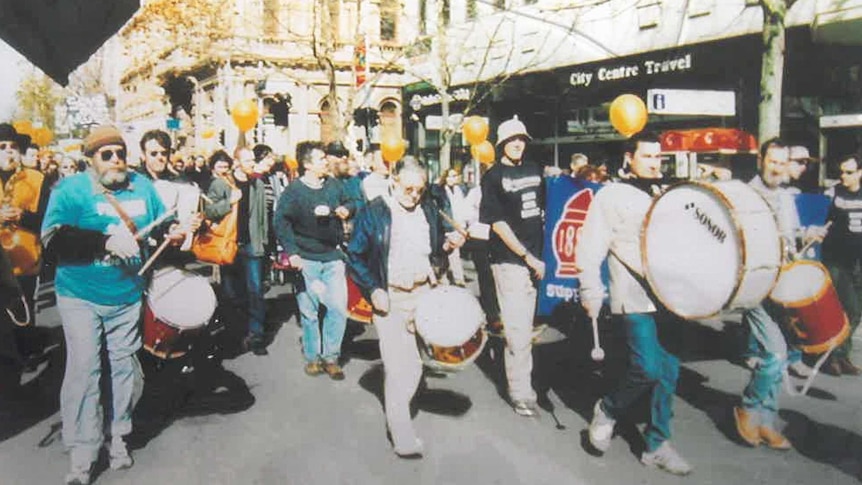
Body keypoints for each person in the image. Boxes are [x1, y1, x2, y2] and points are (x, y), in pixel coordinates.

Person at [40, 125, 186, 485]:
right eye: (106, 154)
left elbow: (163, 225)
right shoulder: (71, 189)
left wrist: (175, 233)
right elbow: (52, 240)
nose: (116, 160)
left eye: (120, 152)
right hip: (80, 295)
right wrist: (103, 242)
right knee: (85, 369)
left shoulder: (142, 186)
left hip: (126, 295)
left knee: (122, 370)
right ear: (91, 160)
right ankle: (82, 452)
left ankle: (118, 436)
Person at [577, 130, 692, 475]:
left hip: (668, 296)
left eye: (659, 158)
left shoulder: (665, 192)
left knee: (669, 370)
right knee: (647, 368)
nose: (655, 164)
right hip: (632, 294)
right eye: (648, 157)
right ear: (629, 157)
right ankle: (608, 409)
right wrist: (590, 290)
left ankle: (657, 444)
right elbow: (590, 244)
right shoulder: (611, 195)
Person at [346, 156, 464, 458]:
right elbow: (356, 256)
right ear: (393, 181)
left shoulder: (426, 208)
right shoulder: (373, 212)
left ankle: (403, 402)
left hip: (424, 292)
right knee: (403, 368)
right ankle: (401, 431)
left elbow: (433, 248)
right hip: (392, 298)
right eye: (408, 189)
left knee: (421, 360)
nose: (414, 196)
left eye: (420, 190)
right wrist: (373, 289)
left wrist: (448, 245)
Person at [733, 138, 826, 451]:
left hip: (781, 286)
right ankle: (748, 407)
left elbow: (790, 238)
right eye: (772, 162)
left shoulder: (786, 197)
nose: (777, 169)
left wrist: (806, 235)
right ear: (761, 161)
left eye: (783, 163)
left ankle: (767, 421)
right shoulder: (745, 196)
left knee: (782, 355)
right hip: (755, 286)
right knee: (774, 354)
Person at [478, 115, 545, 417]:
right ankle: (520, 391)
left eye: (522, 139)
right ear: (502, 144)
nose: (518, 144)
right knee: (518, 330)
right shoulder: (493, 176)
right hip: (510, 262)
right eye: (512, 140)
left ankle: (523, 379)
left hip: (538, 261)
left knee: (528, 328)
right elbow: (497, 224)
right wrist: (526, 256)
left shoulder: (535, 170)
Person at [275, 141, 354, 379]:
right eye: (321, 159)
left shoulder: (334, 185)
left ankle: (331, 357)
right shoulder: (294, 191)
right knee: (309, 312)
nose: (326, 162)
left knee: (338, 308)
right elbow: (281, 222)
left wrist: (346, 210)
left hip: (332, 257)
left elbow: (353, 201)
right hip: (306, 259)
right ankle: (313, 357)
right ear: (308, 164)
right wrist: (292, 252)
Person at [205, 147, 269, 356]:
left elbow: (262, 216)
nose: (252, 163)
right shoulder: (222, 183)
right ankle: (235, 333)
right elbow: (209, 210)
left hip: (252, 244)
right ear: (237, 161)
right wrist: (229, 202)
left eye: (253, 159)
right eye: (248, 159)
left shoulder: (258, 183)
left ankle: (256, 335)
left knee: (256, 291)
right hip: (229, 244)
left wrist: (265, 241)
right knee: (231, 293)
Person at [820, 154, 862, 376]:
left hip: (859, 262)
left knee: (856, 313)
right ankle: (832, 357)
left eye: (849, 172)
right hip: (837, 260)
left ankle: (843, 354)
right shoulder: (832, 193)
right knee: (845, 308)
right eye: (841, 172)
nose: (843, 176)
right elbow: (818, 220)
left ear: (860, 172)